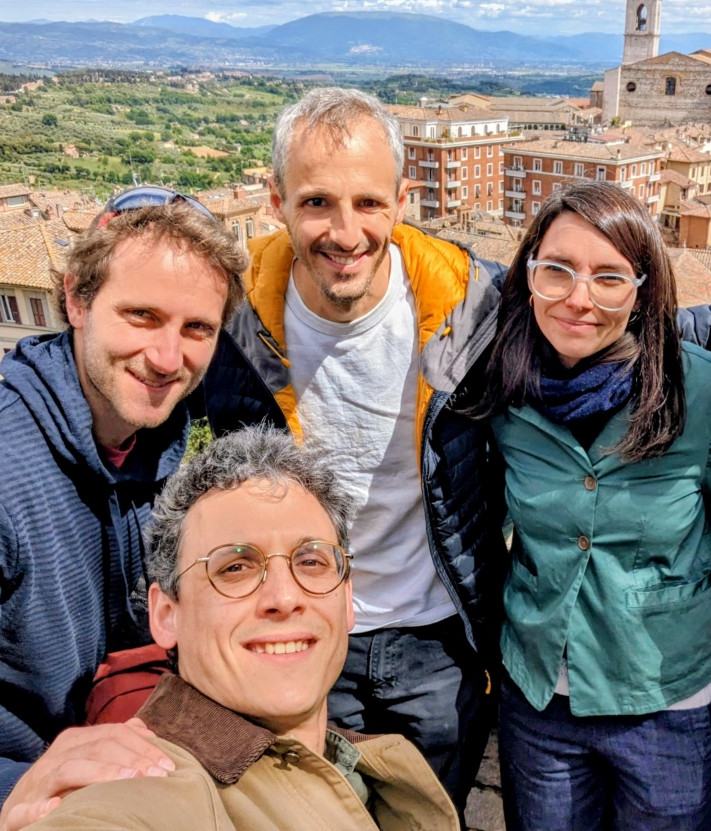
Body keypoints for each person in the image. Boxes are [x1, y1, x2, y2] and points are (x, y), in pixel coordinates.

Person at [201, 86, 509, 811]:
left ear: (403, 199)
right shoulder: (232, 315)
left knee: (432, 817)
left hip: (437, 640)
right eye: (316, 203)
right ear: (275, 199)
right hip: (298, 631)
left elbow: (591, 345)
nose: (345, 232)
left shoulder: (471, 305)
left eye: (368, 203)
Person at [0, 187, 247, 831]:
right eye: (141, 315)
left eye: (197, 329)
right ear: (76, 300)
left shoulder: (153, 442)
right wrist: (21, 789)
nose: (169, 359)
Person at [23, 426, 461, 831]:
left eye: (311, 561)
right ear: (166, 615)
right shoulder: (142, 790)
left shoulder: (366, 767)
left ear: (348, 600)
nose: (285, 597)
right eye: (235, 567)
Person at [469, 181, 711, 829]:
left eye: (608, 277)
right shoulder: (502, 387)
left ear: (641, 289)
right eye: (557, 270)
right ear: (528, 275)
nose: (578, 298)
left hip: (669, 703)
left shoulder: (700, 392)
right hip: (538, 700)